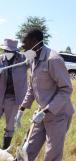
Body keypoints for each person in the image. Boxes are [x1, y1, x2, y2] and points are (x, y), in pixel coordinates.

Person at [15, 28, 74, 161]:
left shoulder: (53, 59)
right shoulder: (33, 59)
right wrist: (21, 109)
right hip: (41, 113)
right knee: (27, 148)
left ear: (35, 42)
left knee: (52, 154)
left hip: (58, 114)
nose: (23, 46)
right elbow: (32, 87)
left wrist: (46, 111)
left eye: (25, 43)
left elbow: (66, 89)